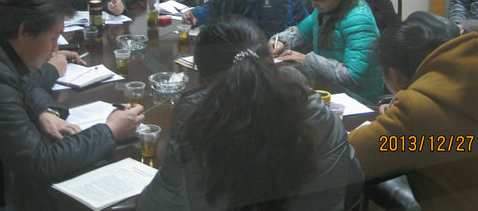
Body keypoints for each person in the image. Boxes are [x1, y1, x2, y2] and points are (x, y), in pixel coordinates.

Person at [0, 0, 144, 210]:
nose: (56, 48)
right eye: (53, 37)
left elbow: (22, 81)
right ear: (24, 31)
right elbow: (40, 164)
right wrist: (110, 131)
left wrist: (43, 111)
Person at [137, 14, 363, 210]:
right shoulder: (318, 111)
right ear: (270, 60)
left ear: (204, 79)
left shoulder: (195, 122)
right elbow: (353, 183)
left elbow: (156, 204)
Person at [347, 11, 478, 210]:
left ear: (394, 75)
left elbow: (349, 154)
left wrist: (399, 115)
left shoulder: (415, 110)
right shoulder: (472, 85)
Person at [270, 0, 384, 102]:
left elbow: (351, 76)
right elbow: (302, 31)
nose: (313, 5)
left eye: (318, 1)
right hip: (331, 88)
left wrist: (306, 60)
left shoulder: (358, 19)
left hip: (360, 97)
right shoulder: (325, 9)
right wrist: (281, 41)